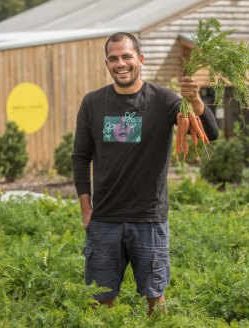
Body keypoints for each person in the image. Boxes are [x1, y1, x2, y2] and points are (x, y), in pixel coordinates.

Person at [71, 32, 219, 315]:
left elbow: (210, 134)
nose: (120, 63)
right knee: (101, 301)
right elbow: (80, 158)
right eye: (113, 58)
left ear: (140, 59)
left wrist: (196, 100)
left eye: (126, 56)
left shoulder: (163, 100)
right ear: (107, 63)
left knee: (155, 299)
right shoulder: (93, 102)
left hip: (149, 220)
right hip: (104, 221)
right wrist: (86, 210)